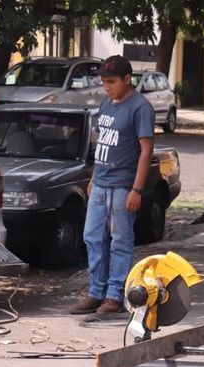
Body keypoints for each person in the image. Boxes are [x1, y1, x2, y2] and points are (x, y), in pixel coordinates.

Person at [69, 55, 155, 315]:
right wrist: (94, 177)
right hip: (102, 183)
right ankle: (96, 292)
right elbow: (102, 145)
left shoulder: (141, 107)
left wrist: (136, 190)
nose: (106, 87)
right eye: (103, 82)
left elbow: (146, 150)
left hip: (123, 186)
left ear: (127, 80)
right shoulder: (107, 103)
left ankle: (114, 295)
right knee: (93, 237)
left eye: (111, 82)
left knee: (120, 240)